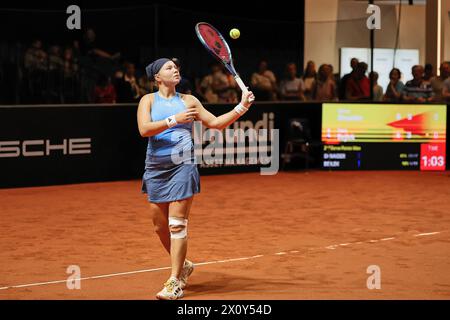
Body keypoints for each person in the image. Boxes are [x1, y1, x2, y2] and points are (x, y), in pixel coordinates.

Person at [137, 58, 254, 300]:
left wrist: (241, 107)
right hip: (156, 167)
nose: (175, 69)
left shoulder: (189, 101)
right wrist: (174, 120)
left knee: (176, 224)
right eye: (169, 67)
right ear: (157, 78)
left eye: (176, 67)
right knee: (160, 228)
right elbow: (144, 129)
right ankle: (185, 265)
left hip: (183, 165)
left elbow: (216, 123)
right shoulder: (147, 100)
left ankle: (174, 281)